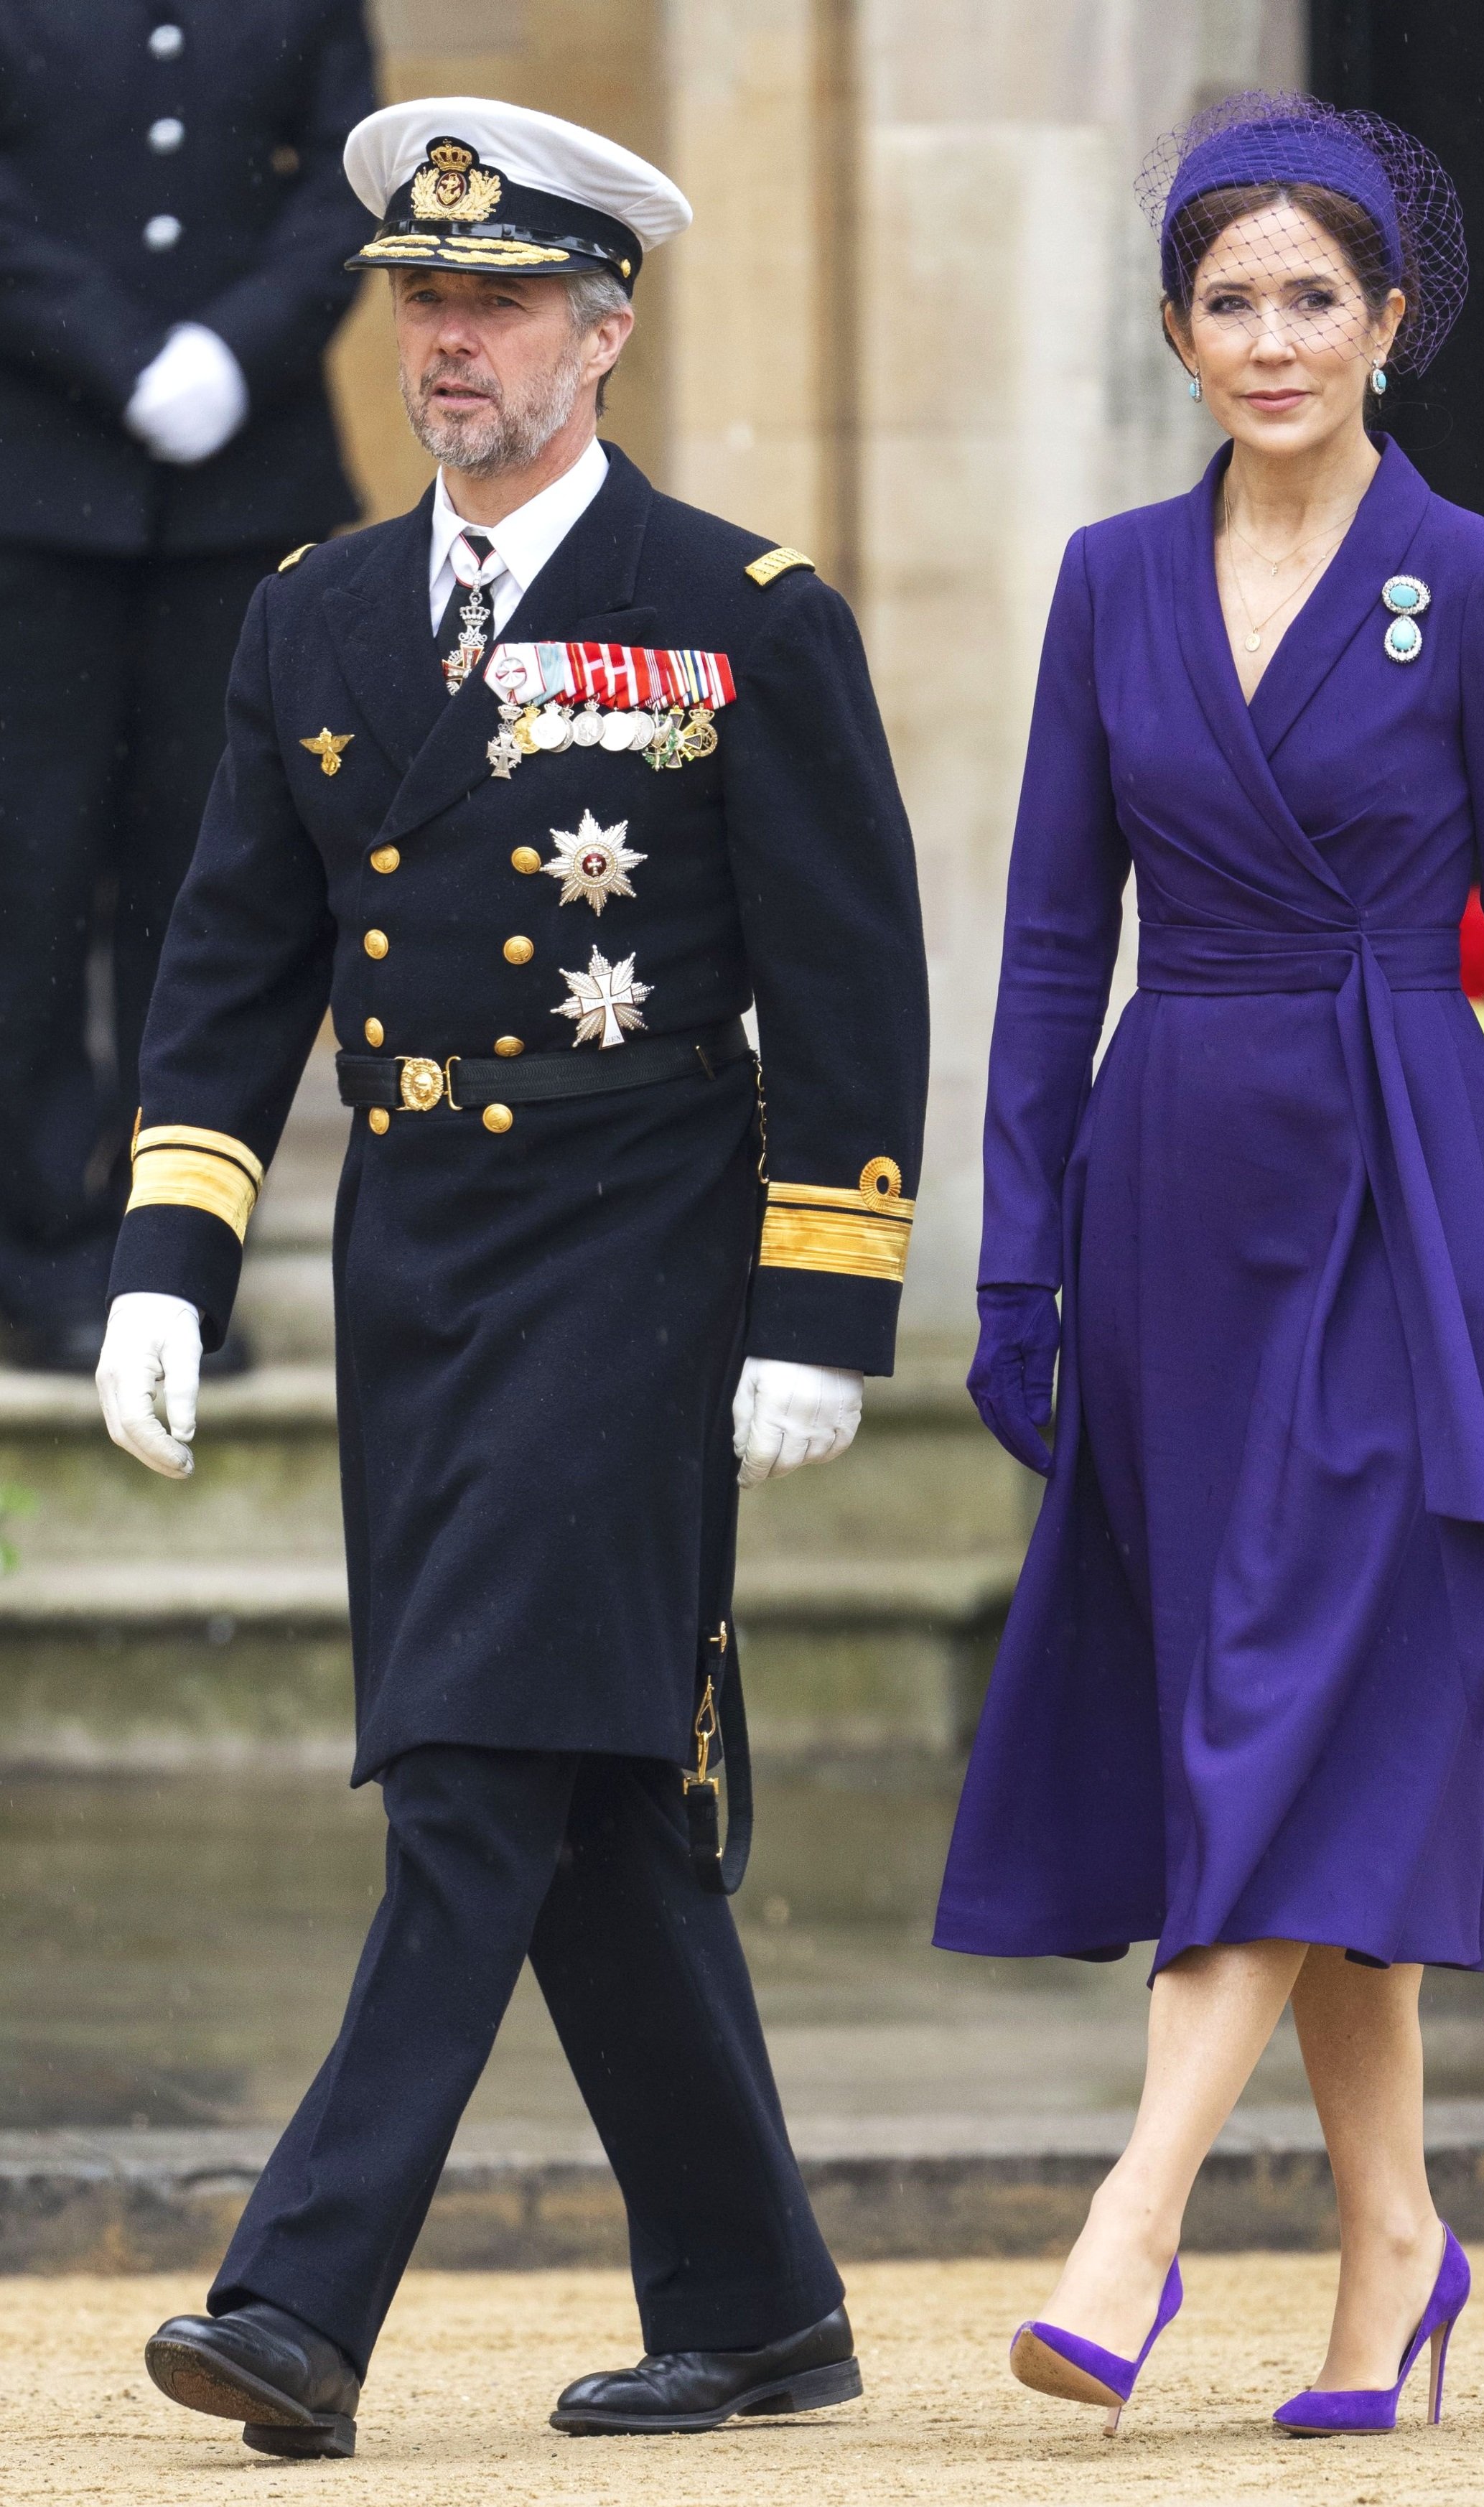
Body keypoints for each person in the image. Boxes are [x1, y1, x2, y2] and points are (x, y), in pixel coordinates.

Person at [95, 98, 928, 2460]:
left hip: (640, 1260)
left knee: (469, 1765)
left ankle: (297, 2300)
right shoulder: (314, 614)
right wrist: (171, 1249)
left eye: (496, 302)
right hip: (417, 1271)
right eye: (420, 301)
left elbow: (851, 980)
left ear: (606, 324)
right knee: (589, 1803)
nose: (447, 344)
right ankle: (759, 2299)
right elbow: (229, 959)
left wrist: (827, 1301)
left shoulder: (743, 611)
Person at [937, 91, 1484, 2439]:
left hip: (1403, 1194)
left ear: (1390, 320)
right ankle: (1394, 2249)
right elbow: (1047, 949)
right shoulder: (1112, 579)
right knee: (1295, 1714)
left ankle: (1132, 2226)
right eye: (1226, 300)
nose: (1268, 337)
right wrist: (1017, 1264)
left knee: (1290, 1695)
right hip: (1171, 1195)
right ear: (1174, 330)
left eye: (1309, 296)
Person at [0, 0, 375, 1372]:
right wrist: (116, 352)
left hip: (243, 489)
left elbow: (354, 179)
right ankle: (41, 1249)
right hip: (30, 491)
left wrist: (237, 351)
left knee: (214, 885)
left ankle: (172, 1254)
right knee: (25, 878)